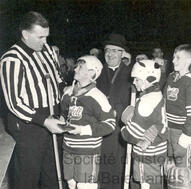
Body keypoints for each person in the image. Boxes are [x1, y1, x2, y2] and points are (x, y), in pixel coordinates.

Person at [0, 11, 66, 189]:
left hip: (53, 118)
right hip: (30, 124)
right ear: (25, 35)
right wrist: (43, 120)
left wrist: (64, 101)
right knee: (27, 178)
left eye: (47, 36)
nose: (45, 41)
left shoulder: (47, 51)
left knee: (53, 174)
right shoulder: (12, 59)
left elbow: (57, 80)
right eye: (40, 37)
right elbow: (14, 102)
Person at [60, 55, 116, 189]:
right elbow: (63, 115)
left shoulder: (97, 96)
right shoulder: (68, 93)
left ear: (91, 72)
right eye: (76, 66)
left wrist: (83, 130)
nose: (75, 69)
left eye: (81, 67)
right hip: (68, 148)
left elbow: (110, 124)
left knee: (85, 185)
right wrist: (59, 121)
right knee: (70, 182)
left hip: (87, 151)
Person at [121, 59, 168, 189]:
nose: (134, 82)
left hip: (146, 153)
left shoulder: (146, 101)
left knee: (145, 183)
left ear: (148, 79)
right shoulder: (157, 94)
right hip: (158, 149)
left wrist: (125, 126)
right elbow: (157, 123)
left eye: (137, 79)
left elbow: (133, 133)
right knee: (154, 182)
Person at [164, 44, 191, 188]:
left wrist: (184, 140)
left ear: (188, 60)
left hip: (183, 133)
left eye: (178, 57)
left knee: (181, 175)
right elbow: (164, 104)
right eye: (174, 57)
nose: (173, 60)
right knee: (169, 170)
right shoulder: (171, 78)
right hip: (169, 131)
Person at [96, 33, 132, 189]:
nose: (110, 54)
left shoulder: (132, 73)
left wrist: (121, 112)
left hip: (119, 131)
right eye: (107, 50)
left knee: (117, 169)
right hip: (98, 128)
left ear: (122, 53)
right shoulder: (96, 71)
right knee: (99, 168)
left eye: (115, 50)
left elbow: (135, 104)